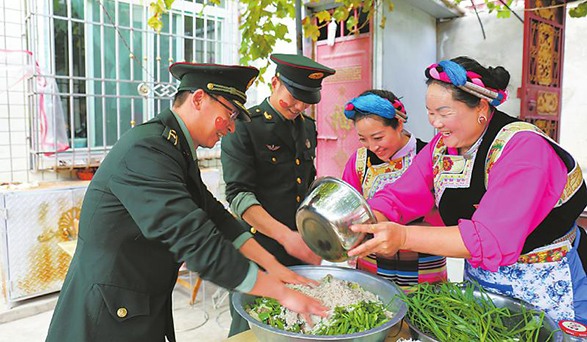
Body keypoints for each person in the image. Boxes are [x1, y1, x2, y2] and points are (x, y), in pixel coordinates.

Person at [45, 63, 329, 342]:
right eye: (228, 114)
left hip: (135, 306)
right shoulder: (147, 150)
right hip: (105, 317)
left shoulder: (175, 147)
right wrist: (280, 292)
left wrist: (273, 266)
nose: (231, 128)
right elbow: (194, 239)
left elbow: (215, 215)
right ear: (198, 99)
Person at [348, 56, 587, 323]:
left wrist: (403, 238)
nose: (435, 123)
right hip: (482, 279)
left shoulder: (524, 148)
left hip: (545, 278)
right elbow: (401, 195)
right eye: (430, 112)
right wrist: (371, 219)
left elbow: (488, 238)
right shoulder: (441, 148)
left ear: (481, 107)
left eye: (444, 112)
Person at [221, 53, 335, 336]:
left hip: (300, 246)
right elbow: (238, 195)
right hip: (259, 247)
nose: (298, 106)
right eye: (293, 96)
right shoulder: (246, 125)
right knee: (251, 323)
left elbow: (305, 186)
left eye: (306, 100)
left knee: (300, 323)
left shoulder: (307, 127)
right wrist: (286, 238)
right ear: (274, 83)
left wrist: (317, 239)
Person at [341, 89, 447, 290]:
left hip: (424, 263)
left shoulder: (428, 156)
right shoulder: (359, 162)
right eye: (363, 139)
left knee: (422, 317)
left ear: (398, 124)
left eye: (378, 137)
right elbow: (349, 209)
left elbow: (445, 215)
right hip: (373, 262)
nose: (372, 147)